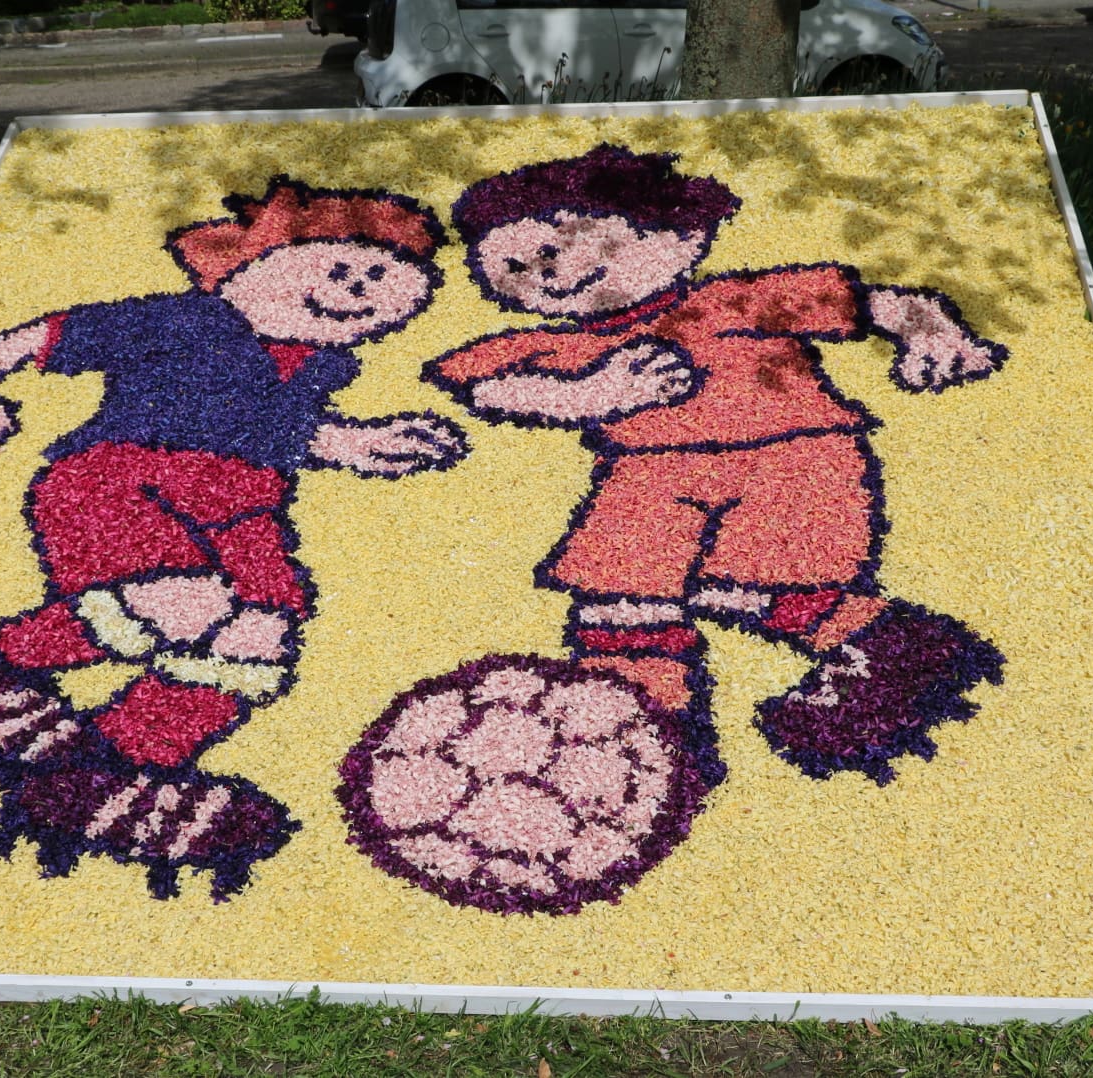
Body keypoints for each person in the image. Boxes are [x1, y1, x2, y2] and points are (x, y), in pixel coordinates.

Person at [0, 177, 467, 899]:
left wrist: (353, 442)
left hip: (245, 511)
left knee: (260, 638)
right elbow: (54, 333)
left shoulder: (324, 362)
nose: (355, 290)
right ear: (246, 270)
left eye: (381, 279)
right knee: (183, 603)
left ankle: (113, 770)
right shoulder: (187, 320)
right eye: (340, 268)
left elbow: (264, 428)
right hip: (125, 480)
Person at [425, 144, 1007, 787]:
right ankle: (645, 733)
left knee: (758, 579)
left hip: (789, 457)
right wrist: (592, 392)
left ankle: (891, 649)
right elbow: (493, 386)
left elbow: (876, 304)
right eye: (513, 265)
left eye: (557, 248)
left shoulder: (733, 302)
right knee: (620, 596)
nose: (545, 272)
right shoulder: (559, 344)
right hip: (644, 474)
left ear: (678, 239)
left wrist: (935, 332)